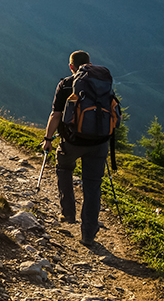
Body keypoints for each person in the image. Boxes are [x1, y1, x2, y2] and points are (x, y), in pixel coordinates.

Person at [42, 50, 109, 247]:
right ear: (89, 64)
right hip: (99, 143)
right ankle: (88, 234)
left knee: (64, 166)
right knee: (93, 185)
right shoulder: (101, 84)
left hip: (72, 141)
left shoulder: (65, 84)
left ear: (71, 67)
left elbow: (55, 115)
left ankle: (68, 213)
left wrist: (47, 139)